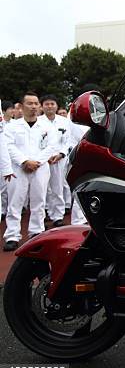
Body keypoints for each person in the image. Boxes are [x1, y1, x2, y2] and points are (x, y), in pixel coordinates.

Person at [3, 92, 58, 251]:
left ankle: (36, 232)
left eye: (36, 104)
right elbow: (9, 146)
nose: (33, 107)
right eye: (30, 103)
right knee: (15, 202)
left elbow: (52, 146)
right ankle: (12, 235)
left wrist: (37, 162)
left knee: (39, 200)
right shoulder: (12, 126)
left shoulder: (47, 126)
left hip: (40, 168)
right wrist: (24, 161)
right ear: (20, 106)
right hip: (19, 168)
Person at [40, 94, 71, 227]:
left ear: (56, 106)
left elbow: (68, 140)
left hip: (59, 159)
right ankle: (43, 215)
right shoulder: (37, 121)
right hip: (42, 160)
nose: (50, 106)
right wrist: (44, 157)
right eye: (46, 104)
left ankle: (58, 216)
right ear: (42, 106)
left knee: (57, 188)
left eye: (52, 104)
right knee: (42, 189)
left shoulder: (64, 122)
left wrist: (61, 154)